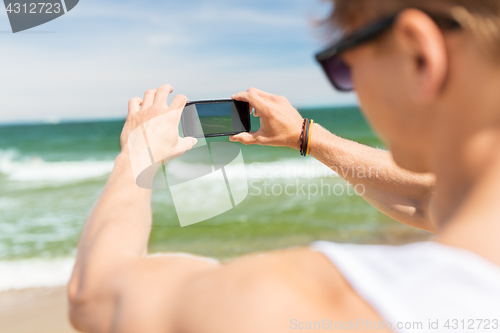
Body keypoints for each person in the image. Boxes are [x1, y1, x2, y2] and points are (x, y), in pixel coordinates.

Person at [68, 0, 500, 332]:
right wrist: (305, 136)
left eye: (342, 66)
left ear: (419, 55)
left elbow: (96, 295)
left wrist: (137, 154)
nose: (350, 88)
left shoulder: (312, 301)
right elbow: (426, 200)